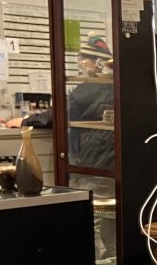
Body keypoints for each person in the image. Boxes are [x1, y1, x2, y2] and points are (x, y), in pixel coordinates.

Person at [8, 35, 115, 171]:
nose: (79, 63)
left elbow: (59, 113)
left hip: (96, 154)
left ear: (97, 62)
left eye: (83, 59)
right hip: (107, 154)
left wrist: (25, 122)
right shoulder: (111, 86)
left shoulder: (90, 88)